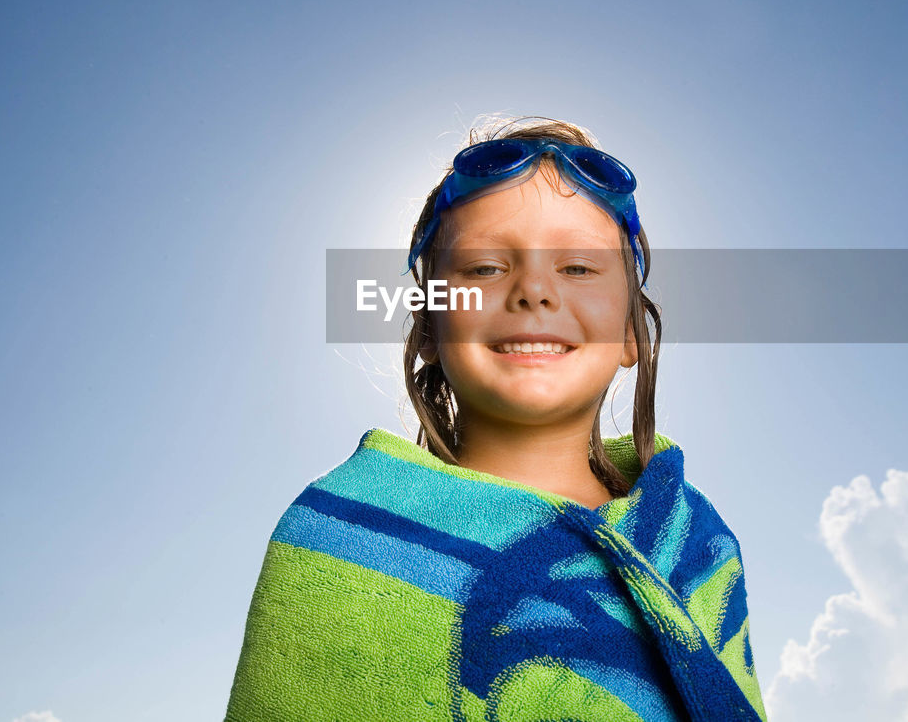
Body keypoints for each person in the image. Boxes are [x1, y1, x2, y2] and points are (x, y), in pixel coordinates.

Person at [224, 116, 768, 721]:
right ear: (428, 324)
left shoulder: (695, 544)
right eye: (484, 269)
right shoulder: (343, 534)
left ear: (629, 335)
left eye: (579, 269)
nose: (534, 291)